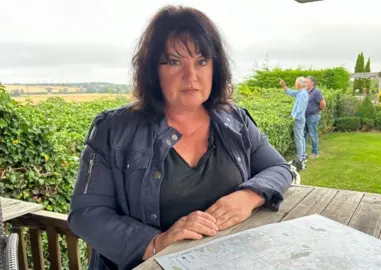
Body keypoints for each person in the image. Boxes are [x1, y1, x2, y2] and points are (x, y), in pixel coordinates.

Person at [67, 5, 293, 270]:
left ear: (214, 67)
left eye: (202, 61)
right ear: (153, 70)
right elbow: (86, 214)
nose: (191, 76)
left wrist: (249, 196)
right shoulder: (113, 129)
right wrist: (156, 242)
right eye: (174, 61)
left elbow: (278, 168)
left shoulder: (235, 121)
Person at [280, 77, 309, 171]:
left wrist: (295, 116)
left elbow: (300, 108)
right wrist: (284, 86)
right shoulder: (300, 92)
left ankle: (300, 157)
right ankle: (303, 155)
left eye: (296, 83)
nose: (295, 84)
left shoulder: (302, 94)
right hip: (300, 118)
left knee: (299, 138)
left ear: (299, 84)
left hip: (299, 119)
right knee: (301, 137)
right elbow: (290, 92)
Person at [304, 76, 326, 159]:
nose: (305, 83)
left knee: (313, 134)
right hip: (305, 116)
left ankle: (315, 153)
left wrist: (318, 110)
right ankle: (304, 153)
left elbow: (323, 103)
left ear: (312, 83)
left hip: (313, 116)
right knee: (304, 135)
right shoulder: (306, 91)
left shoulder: (316, 92)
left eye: (307, 82)